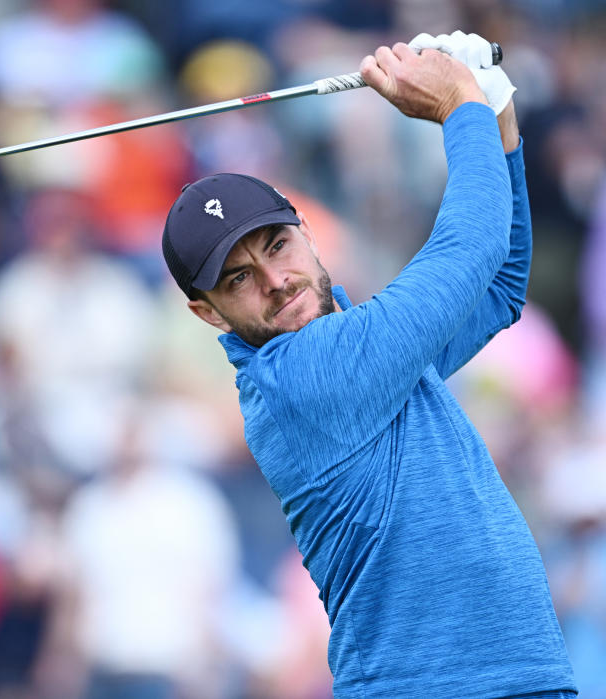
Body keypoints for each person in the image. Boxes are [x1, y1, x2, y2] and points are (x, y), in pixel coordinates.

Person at [161, 31, 575, 697]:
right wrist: (458, 106)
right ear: (207, 313)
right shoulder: (302, 376)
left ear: (308, 230)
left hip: (512, 681)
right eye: (237, 278)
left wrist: (495, 106)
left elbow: (498, 285)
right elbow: (471, 248)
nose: (275, 279)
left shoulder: (372, 350)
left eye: (277, 244)